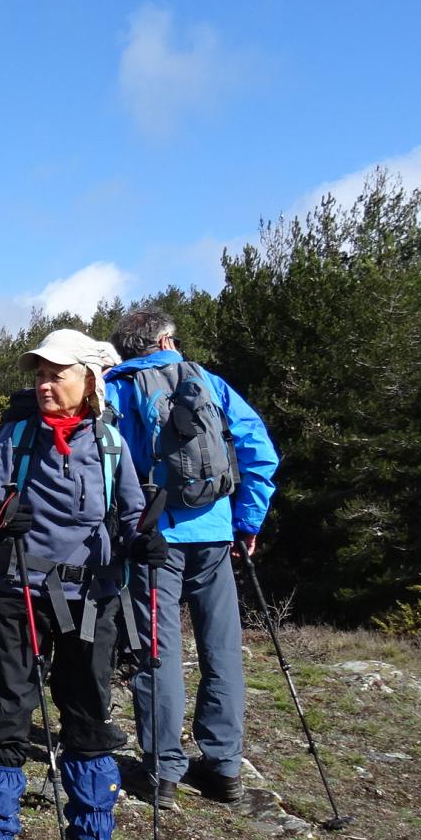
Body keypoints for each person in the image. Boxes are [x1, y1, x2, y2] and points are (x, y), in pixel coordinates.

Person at [0, 328, 164, 840]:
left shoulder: (111, 445)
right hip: (20, 592)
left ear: (88, 382)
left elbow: (130, 516)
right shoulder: (17, 437)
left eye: (58, 374)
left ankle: (91, 839)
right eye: (40, 374)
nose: (46, 384)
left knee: (87, 715)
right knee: (9, 709)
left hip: (92, 598)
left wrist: (144, 542)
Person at [105, 307, 280, 807]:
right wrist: (247, 521)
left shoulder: (117, 389)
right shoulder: (210, 383)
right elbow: (258, 449)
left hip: (153, 538)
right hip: (215, 531)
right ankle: (223, 767)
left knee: (157, 652)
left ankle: (162, 772)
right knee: (221, 647)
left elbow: (106, 463)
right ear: (165, 339)